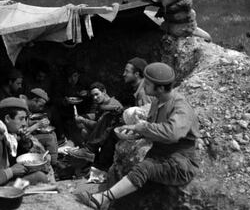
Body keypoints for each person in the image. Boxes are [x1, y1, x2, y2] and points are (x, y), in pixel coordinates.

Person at [76, 62, 200, 209]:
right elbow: (152, 129)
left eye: (147, 83)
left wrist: (143, 127)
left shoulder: (180, 107)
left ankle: (102, 199)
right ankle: (108, 202)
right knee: (128, 190)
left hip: (180, 163)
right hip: (158, 156)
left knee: (144, 169)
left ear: (160, 88)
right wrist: (134, 131)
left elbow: (172, 133)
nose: (143, 86)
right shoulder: (156, 102)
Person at [88, 57, 153, 182]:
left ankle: (99, 164)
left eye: (126, 71)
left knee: (112, 131)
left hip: (145, 131)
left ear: (137, 74)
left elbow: (146, 115)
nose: (123, 74)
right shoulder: (139, 89)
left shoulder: (143, 92)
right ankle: (95, 158)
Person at [70, 82, 123, 161]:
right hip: (102, 134)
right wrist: (86, 116)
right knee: (82, 127)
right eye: (93, 96)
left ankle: (89, 150)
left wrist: (83, 120)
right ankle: (91, 153)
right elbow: (97, 115)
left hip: (109, 138)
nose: (94, 97)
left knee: (85, 130)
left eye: (97, 94)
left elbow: (98, 126)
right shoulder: (102, 103)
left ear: (104, 91)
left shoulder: (112, 106)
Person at [25, 88, 58, 167]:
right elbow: (23, 132)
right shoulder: (21, 108)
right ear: (34, 100)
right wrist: (38, 125)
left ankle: (54, 161)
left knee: (53, 134)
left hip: (27, 136)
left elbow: (25, 123)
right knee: (50, 138)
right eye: (40, 105)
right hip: (23, 140)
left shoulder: (26, 107)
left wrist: (34, 122)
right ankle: (53, 165)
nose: (41, 108)